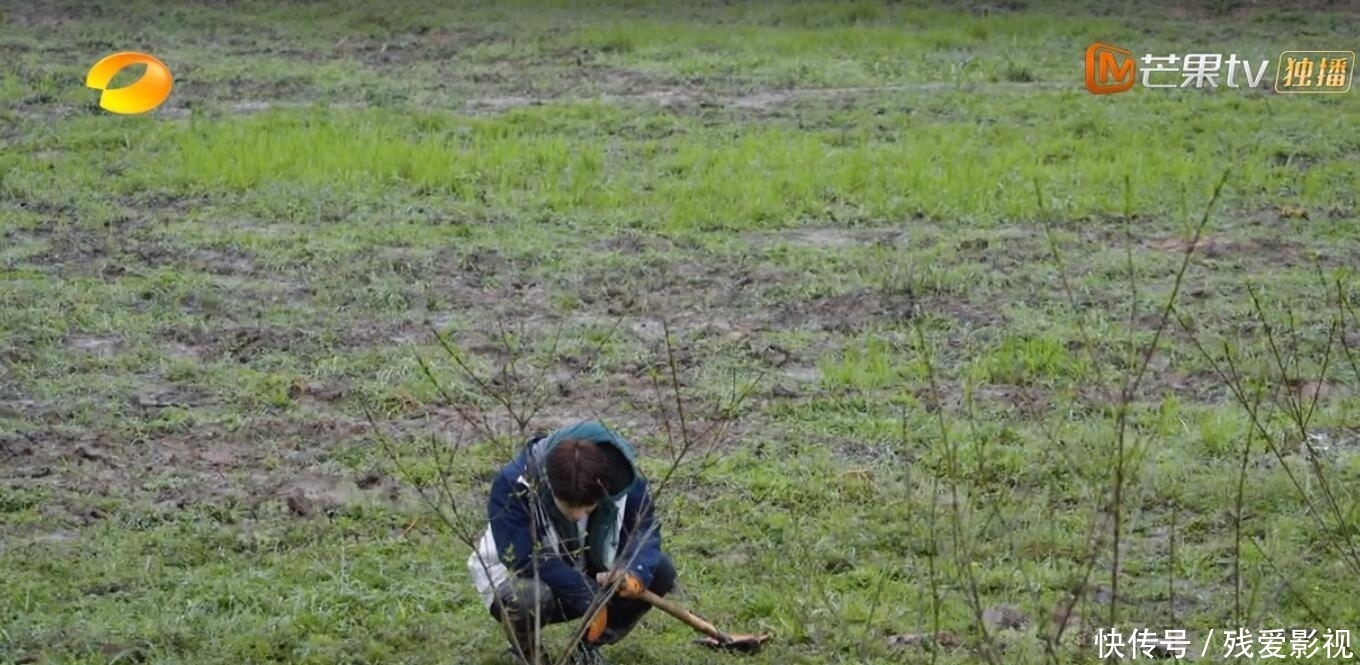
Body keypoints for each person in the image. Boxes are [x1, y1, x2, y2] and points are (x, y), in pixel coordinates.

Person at [467, 420, 677, 665]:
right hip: (524, 580)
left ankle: (588, 648)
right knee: (525, 596)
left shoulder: (622, 478)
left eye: (588, 507)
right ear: (551, 485)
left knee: (659, 570)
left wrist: (633, 573)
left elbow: (644, 527)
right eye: (569, 506)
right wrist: (586, 593)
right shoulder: (514, 484)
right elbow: (524, 557)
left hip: (588, 570)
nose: (578, 515)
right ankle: (528, 655)